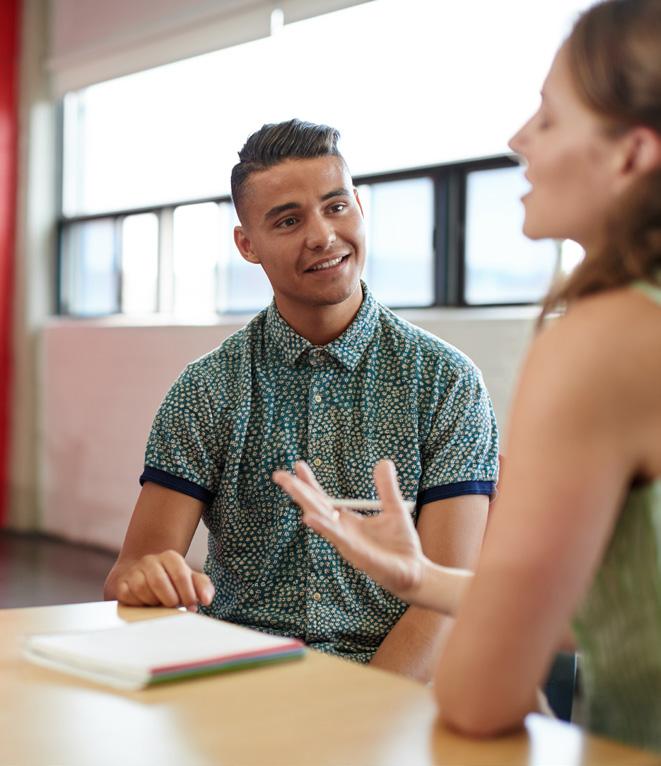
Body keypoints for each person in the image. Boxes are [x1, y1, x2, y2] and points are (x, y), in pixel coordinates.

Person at [274, 0, 661, 751]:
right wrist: (423, 582)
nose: (517, 139)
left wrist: (484, 652)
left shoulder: (601, 341)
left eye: (547, 119)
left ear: (630, 153)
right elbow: (620, 605)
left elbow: (478, 698)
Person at [104, 119, 499, 680]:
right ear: (247, 244)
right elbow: (129, 572)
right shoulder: (207, 390)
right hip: (236, 684)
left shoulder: (446, 383)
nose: (321, 235)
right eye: (288, 220)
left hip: (393, 692)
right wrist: (147, 580)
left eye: (337, 207)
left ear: (361, 207)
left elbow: (443, 603)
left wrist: (355, 718)